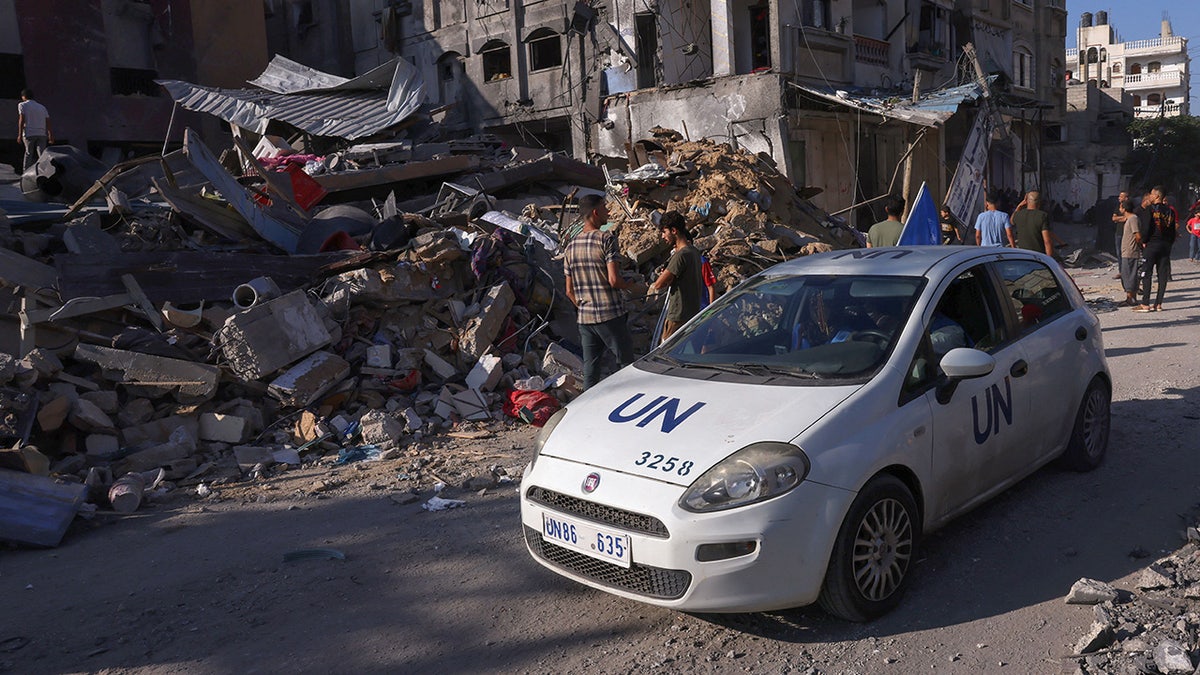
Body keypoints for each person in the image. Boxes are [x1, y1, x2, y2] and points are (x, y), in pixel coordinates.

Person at [564, 194, 635, 388]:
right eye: (605, 208)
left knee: (591, 369)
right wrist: (630, 284)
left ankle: (587, 407)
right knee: (627, 364)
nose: (608, 212)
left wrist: (586, 306)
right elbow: (614, 280)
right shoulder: (606, 239)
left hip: (585, 320)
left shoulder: (571, 247)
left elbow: (569, 291)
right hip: (610, 315)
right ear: (595, 213)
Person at [648, 211, 703, 342]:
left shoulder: (681, 255)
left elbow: (658, 285)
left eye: (664, 232)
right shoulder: (694, 251)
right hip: (692, 312)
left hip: (678, 315)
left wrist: (664, 274)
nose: (663, 236)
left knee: (665, 353)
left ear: (673, 230)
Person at [1132, 186, 1177, 312]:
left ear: (1157, 196)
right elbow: (1173, 231)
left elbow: (1147, 228)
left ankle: (1145, 303)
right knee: (1162, 274)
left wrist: (1144, 241)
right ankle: (1158, 304)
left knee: (1147, 273)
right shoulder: (1170, 211)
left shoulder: (1150, 210)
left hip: (1152, 245)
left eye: (1151, 194)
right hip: (1165, 246)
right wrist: (1169, 243)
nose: (1150, 196)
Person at [17, 89, 53, 171]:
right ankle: (44, 172)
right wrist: (50, 135)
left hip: (29, 132)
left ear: (23, 96)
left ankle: (25, 172)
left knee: (29, 153)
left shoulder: (22, 105)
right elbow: (48, 121)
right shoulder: (42, 107)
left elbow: (21, 120)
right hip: (41, 133)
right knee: (42, 155)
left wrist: (19, 134)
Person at [1011, 190, 1054, 256]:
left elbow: (1011, 221)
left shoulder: (1019, 214)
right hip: (1038, 255)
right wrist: (1049, 259)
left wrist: (1019, 206)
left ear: (1027, 201)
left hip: (1022, 254)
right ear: (1039, 202)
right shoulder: (1042, 216)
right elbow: (1047, 241)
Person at [1118, 198, 1141, 307]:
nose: (1119, 209)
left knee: (1129, 275)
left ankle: (1130, 298)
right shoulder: (1129, 219)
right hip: (1127, 251)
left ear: (1124, 208)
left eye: (1120, 206)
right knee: (1128, 275)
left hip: (1130, 251)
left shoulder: (1133, 219)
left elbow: (1137, 235)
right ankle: (1131, 298)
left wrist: (1140, 246)